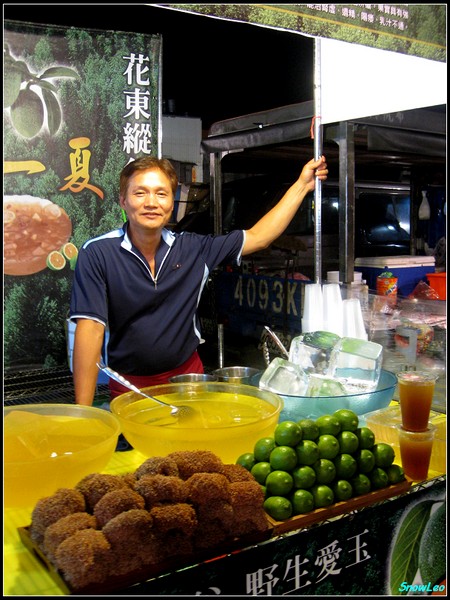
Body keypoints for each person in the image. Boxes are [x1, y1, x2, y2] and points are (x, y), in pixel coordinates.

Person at [69, 155, 328, 405]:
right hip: (130, 385)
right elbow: (90, 329)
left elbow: (259, 236)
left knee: (192, 450)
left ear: (172, 203)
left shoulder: (194, 248)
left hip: (187, 381)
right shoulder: (98, 253)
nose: (151, 202)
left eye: (161, 193)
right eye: (140, 193)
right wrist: (83, 412)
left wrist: (302, 186)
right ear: (123, 201)